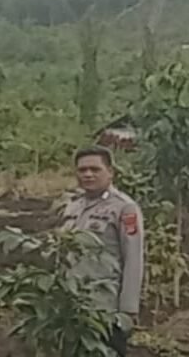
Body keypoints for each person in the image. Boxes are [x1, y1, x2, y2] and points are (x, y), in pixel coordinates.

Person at [61, 146, 144, 356]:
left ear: (110, 172)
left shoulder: (124, 208)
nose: (88, 174)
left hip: (105, 307)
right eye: (82, 170)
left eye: (95, 169)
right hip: (72, 303)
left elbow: (133, 258)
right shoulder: (73, 206)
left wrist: (128, 309)